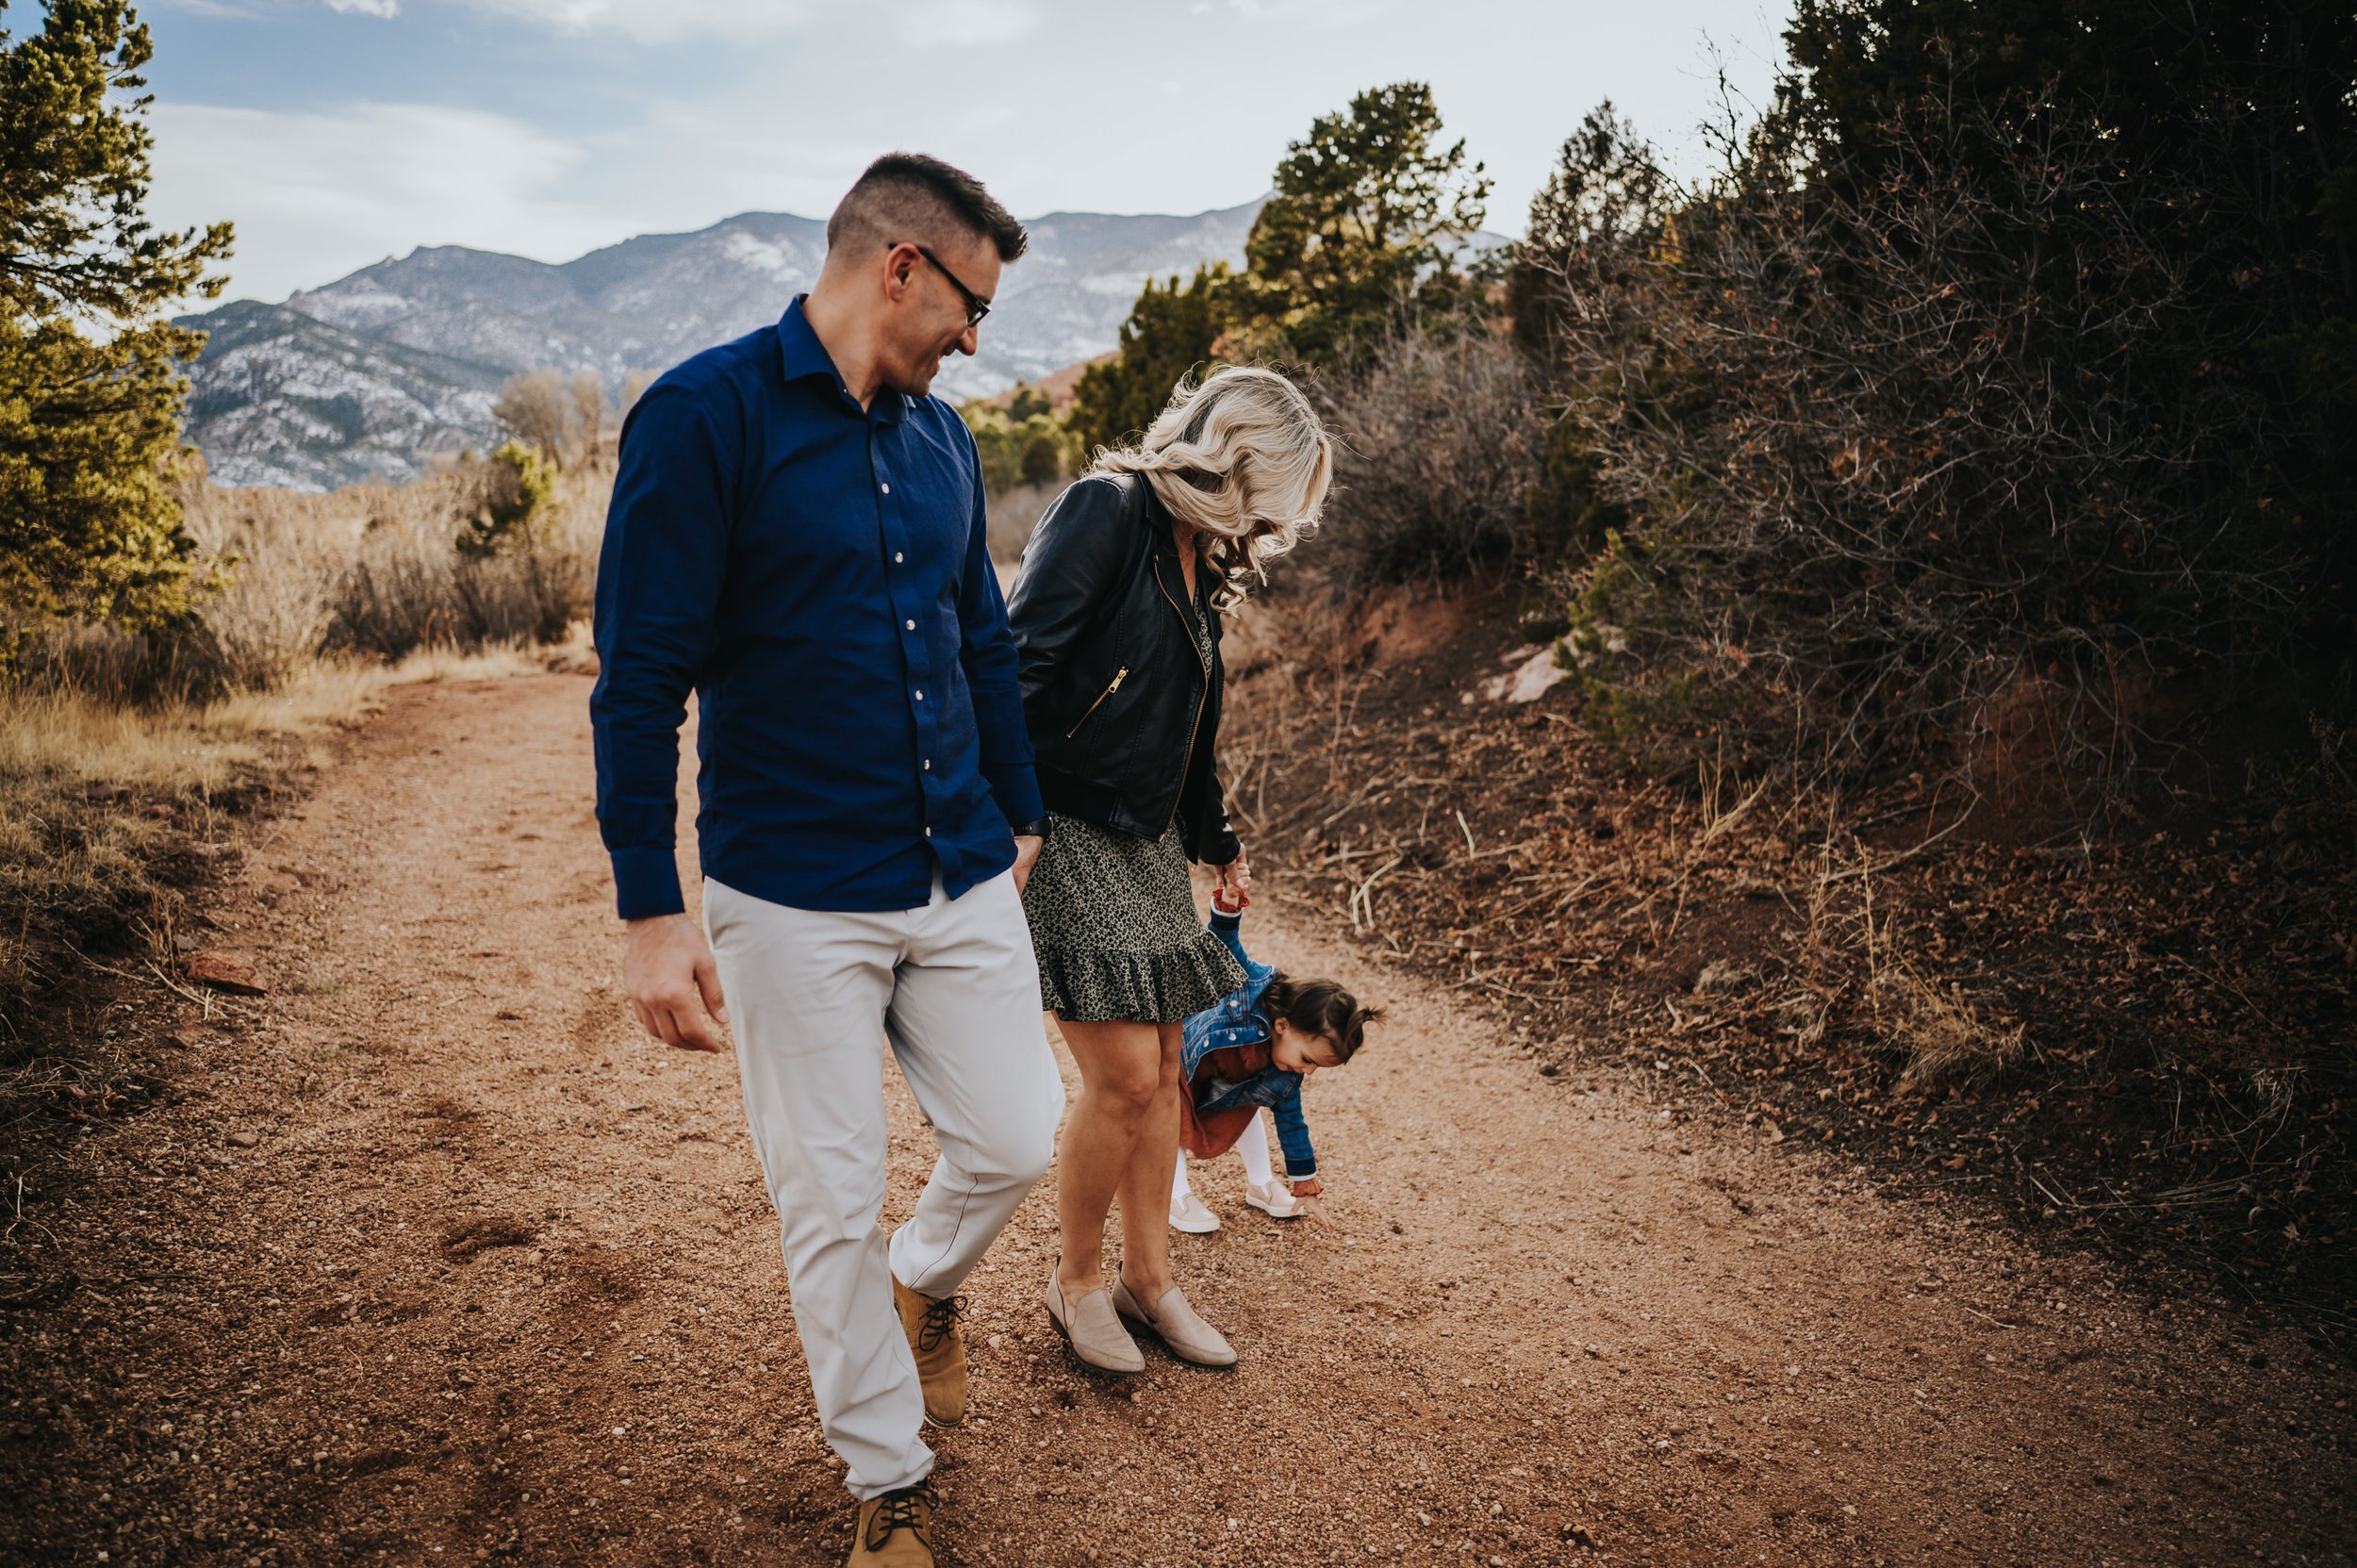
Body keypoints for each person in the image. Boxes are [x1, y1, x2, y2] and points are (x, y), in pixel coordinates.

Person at [591, 153, 1062, 1568]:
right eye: (971, 305)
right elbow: (640, 678)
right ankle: (888, 1473)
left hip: (963, 859)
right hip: (790, 887)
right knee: (828, 1190)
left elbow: (980, 631)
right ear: (899, 266)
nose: (976, 342)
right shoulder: (704, 414)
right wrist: (648, 908)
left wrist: (1022, 807)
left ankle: (926, 1286)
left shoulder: (942, 441)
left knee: (1016, 1132)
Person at [1006, 366, 1332, 1373]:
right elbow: (1017, 667)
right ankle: (1076, 1285)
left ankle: (1150, 1282)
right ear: (1236, 461)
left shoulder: (1202, 562)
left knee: (1157, 1083)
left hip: (1146, 847)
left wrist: (1217, 839)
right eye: (1274, 502)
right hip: (1064, 825)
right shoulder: (1107, 510)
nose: (1273, 529)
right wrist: (1015, 819)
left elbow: (1188, 728)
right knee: (1127, 1078)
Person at [1174, 890, 1379, 1230]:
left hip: (1224, 1082)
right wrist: (1227, 908)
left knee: (1247, 1103)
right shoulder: (1252, 984)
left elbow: (1293, 1124)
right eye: (1307, 1059)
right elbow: (1225, 946)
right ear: (1282, 1025)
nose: (1308, 1071)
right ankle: (1177, 1195)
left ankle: (1261, 1183)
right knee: (1170, 1118)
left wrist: (1305, 1182)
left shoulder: (1284, 1075)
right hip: (1183, 1065)